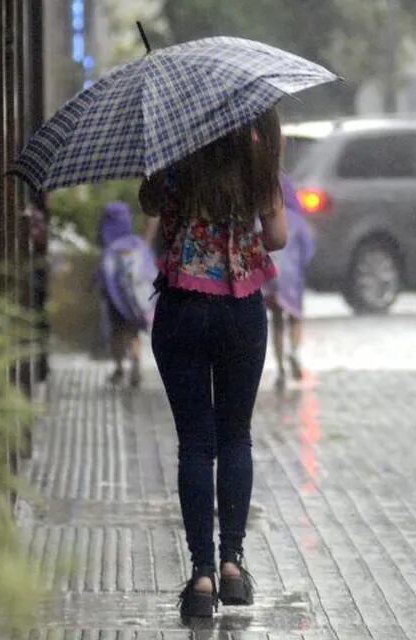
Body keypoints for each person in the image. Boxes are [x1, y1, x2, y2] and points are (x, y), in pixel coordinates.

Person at [139, 109, 287, 619]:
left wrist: (165, 149)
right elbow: (279, 237)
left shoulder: (174, 158)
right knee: (235, 437)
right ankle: (231, 564)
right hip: (240, 309)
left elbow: (150, 204)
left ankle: (201, 575)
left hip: (181, 308)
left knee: (195, 445)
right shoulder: (255, 158)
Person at [96, 201, 155, 387]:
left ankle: (119, 368)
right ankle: (136, 362)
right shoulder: (137, 245)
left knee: (116, 333)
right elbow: (149, 273)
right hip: (136, 303)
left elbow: (103, 275)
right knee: (134, 333)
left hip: (115, 302)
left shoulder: (110, 249)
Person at [264, 175, 314, 389]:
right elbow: (308, 251)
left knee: (276, 320)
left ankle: (281, 368)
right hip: (293, 280)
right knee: (295, 317)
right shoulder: (298, 222)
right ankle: (294, 351)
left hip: (272, 278)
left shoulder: (268, 218)